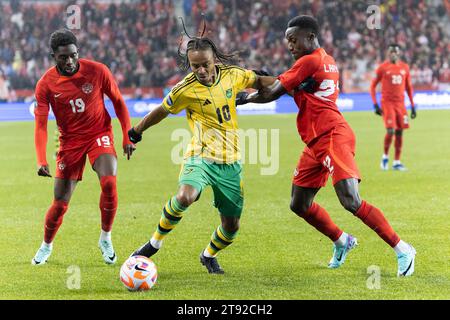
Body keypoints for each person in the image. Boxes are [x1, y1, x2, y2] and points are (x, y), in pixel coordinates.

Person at [236, 15, 416, 276]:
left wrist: (244, 98)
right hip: (315, 141)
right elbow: (289, 87)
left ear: (310, 36)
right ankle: (343, 240)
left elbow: (274, 92)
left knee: (350, 200)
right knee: (299, 204)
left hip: (332, 135)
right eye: (287, 40)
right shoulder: (325, 60)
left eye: (294, 39)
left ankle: (403, 249)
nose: (289, 45)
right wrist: (270, 84)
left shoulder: (309, 61)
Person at [127, 31, 275, 274]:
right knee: (186, 196)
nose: (201, 70)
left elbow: (261, 81)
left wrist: (293, 82)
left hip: (230, 161)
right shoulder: (185, 89)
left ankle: (208, 255)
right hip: (201, 155)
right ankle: (154, 243)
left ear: (214, 59)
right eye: (195, 66)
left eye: (205, 64)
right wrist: (136, 131)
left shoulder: (232, 75)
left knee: (231, 228)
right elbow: (161, 111)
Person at [32, 29, 135, 265]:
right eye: (63, 57)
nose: (69, 61)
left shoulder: (98, 71)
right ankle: (46, 245)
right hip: (70, 142)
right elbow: (40, 126)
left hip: (99, 133)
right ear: (53, 56)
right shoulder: (46, 84)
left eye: (73, 55)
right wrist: (41, 159)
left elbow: (118, 102)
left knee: (109, 182)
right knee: (60, 203)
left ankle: (105, 237)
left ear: (78, 53)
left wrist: (127, 136)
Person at [370, 44, 416, 171]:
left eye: (395, 52)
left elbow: (409, 88)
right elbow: (372, 86)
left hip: (401, 104)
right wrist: (375, 104)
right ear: (388, 53)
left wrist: (412, 105)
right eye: (391, 52)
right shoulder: (382, 68)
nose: (393, 54)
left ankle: (396, 162)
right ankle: (385, 157)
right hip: (387, 103)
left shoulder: (405, 67)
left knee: (400, 131)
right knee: (390, 131)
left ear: (399, 53)